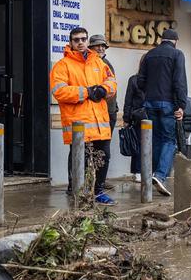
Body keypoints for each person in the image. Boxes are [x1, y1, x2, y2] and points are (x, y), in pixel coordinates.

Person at [51, 27, 118, 205]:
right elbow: (59, 91)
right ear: (71, 42)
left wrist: (103, 89)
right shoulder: (62, 65)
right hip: (79, 123)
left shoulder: (99, 63)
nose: (80, 42)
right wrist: (87, 92)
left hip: (100, 123)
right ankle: (78, 191)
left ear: (87, 41)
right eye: (76, 39)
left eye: (83, 39)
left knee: (103, 157)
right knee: (79, 159)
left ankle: (98, 191)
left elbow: (112, 82)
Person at [137, 27, 188, 196]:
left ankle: (154, 173)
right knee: (169, 140)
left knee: (156, 139)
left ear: (162, 40)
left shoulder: (149, 54)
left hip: (150, 103)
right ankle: (160, 175)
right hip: (168, 103)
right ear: (175, 41)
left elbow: (140, 80)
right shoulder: (177, 54)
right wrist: (181, 105)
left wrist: (148, 93)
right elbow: (179, 81)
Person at [88, 34, 119, 192]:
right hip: (96, 114)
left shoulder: (106, 63)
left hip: (110, 112)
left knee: (104, 151)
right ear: (90, 47)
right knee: (93, 149)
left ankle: (100, 179)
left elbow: (112, 87)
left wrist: (116, 107)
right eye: (97, 45)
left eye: (103, 46)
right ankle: (92, 182)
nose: (100, 48)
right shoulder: (89, 64)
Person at [123, 71, 146, 182]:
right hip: (138, 117)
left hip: (143, 115)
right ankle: (137, 171)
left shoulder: (135, 79)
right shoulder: (134, 79)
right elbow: (128, 100)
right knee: (138, 144)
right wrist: (126, 118)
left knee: (141, 144)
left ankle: (140, 171)